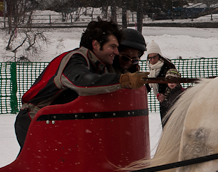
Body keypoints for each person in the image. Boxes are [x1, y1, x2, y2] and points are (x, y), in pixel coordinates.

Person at [15, 19, 148, 148]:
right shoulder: (75, 59)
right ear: (96, 45)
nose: (116, 52)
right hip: (35, 118)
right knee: (46, 165)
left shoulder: (101, 66)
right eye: (112, 47)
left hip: (59, 121)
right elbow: (82, 83)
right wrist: (123, 80)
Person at [146, 41, 177, 121]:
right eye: (150, 58)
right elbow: (150, 83)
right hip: (162, 101)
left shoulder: (168, 66)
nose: (152, 60)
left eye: (154, 57)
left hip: (172, 99)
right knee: (164, 123)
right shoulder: (152, 69)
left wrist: (164, 94)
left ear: (159, 56)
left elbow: (174, 83)